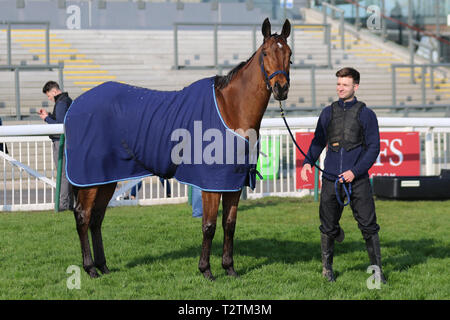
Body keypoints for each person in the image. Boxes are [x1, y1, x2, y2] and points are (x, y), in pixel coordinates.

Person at [300, 67, 386, 283]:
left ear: (355, 87)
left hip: (358, 181)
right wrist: (307, 162)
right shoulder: (327, 112)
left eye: (345, 85)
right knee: (328, 226)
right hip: (330, 178)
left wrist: (354, 172)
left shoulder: (367, 114)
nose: (340, 88)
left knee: (368, 227)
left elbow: (373, 148)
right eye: (338, 84)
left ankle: (377, 273)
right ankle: (327, 270)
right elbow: (318, 140)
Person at [39, 81, 74, 211]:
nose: (49, 98)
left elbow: (59, 125)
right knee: (67, 174)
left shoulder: (60, 103)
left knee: (63, 174)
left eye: (49, 96)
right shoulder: (67, 100)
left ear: (54, 91)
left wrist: (46, 118)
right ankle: (69, 204)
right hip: (67, 140)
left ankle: (63, 205)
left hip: (60, 141)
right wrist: (49, 116)